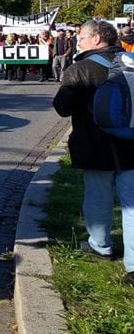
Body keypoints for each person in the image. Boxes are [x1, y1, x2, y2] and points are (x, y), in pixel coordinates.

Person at [52, 19, 134, 286]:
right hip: (132, 145)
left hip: (96, 145)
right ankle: (133, 267)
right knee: (132, 204)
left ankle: (100, 245)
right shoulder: (131, 61)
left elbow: (62, 107)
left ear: (97, 39)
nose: (79, 42)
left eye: (83, 38)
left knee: (98, 198)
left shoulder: (81, 69)